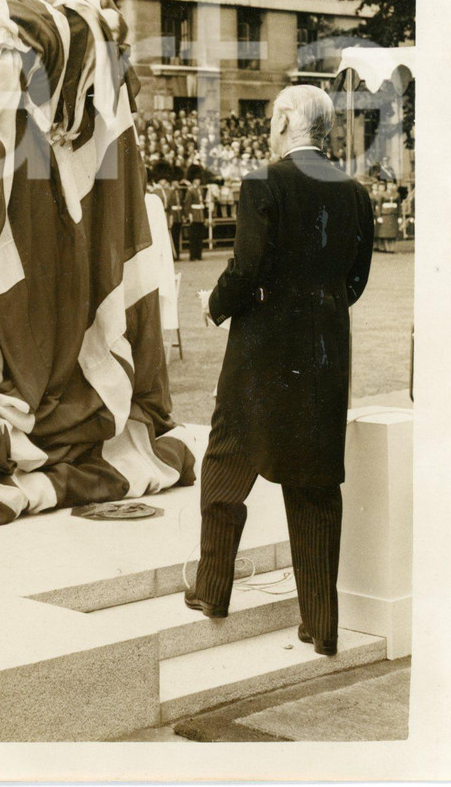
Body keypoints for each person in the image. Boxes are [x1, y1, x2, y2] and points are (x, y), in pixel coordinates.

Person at [188, 85, 374, 656]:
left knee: (225, 463)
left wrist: (214, 305)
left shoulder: (263, 182)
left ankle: (212, 591)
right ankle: (321, 626)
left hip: (261, 353)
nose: (268, 128)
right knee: (315, 484)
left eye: (272, 118)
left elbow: (246, 269)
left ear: (288, 120)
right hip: (323, 355)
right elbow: (355, 281)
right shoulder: (356, 193)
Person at [187, 178, 207, 261]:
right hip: (194, 216)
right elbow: (188, 203)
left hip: (200, 215)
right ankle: (193, 256)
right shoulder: (191, 191)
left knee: (199, 237)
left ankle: (199, 255)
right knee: (194, 238)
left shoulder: (201, 190)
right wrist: (189, 215)